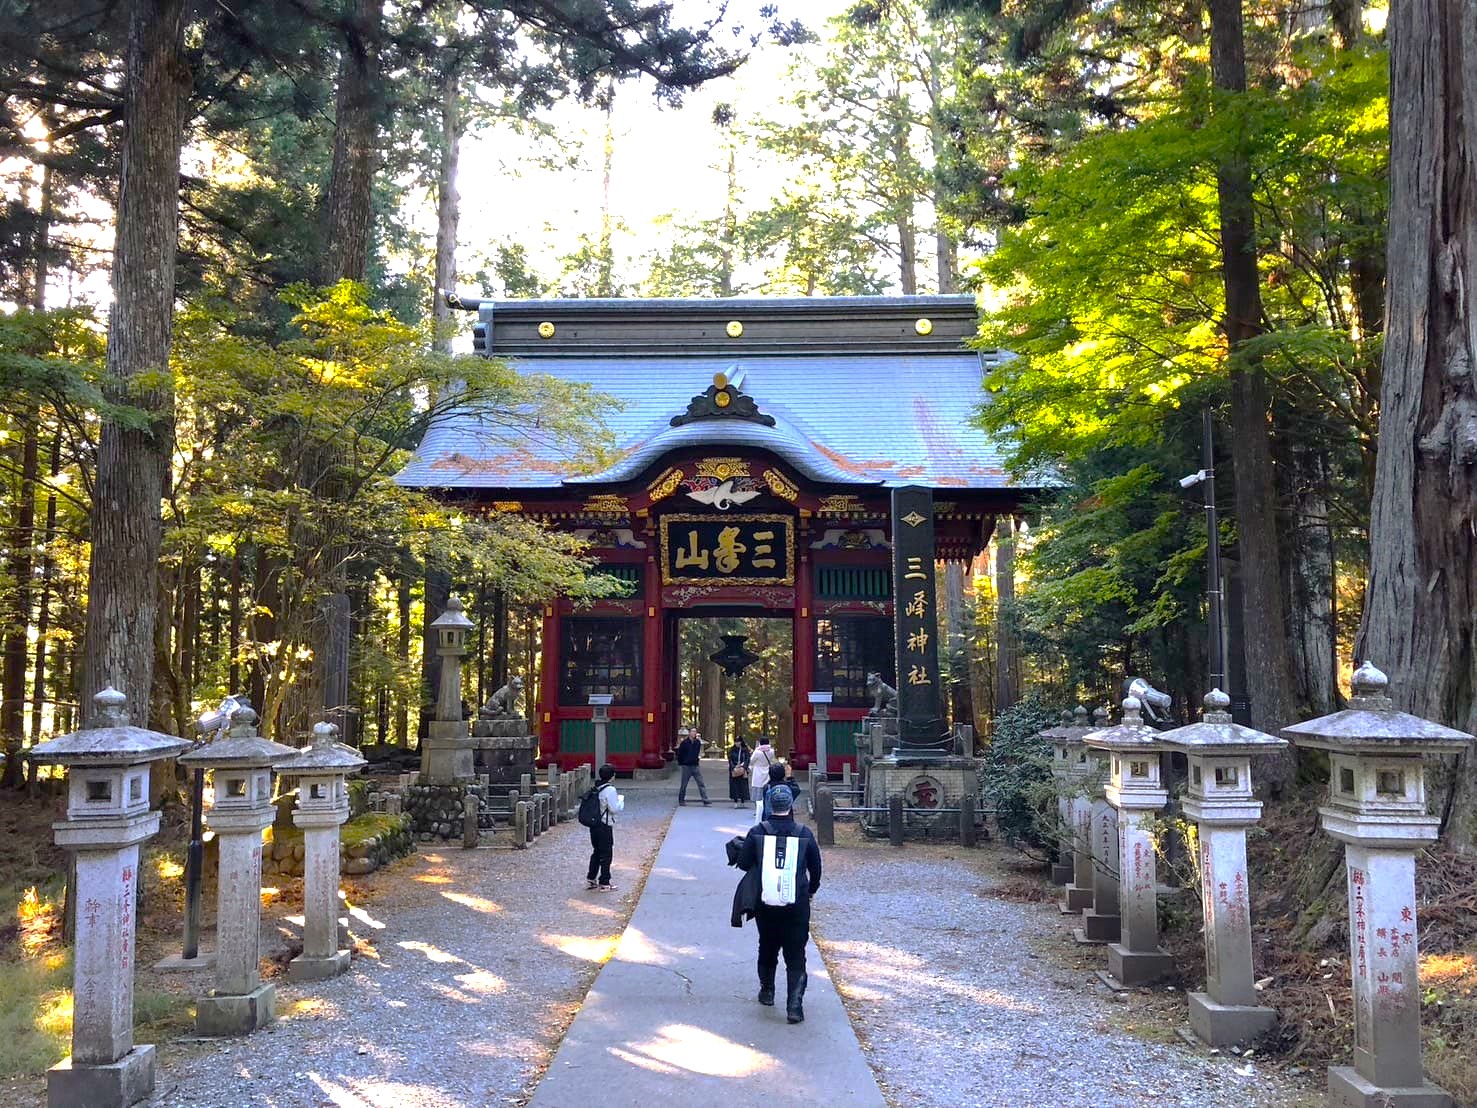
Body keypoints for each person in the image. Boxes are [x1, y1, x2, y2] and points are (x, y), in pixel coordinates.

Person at [736, 786, 821, 1024]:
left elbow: (743, 864)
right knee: (796, 953)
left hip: (767, 900)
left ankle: (767, 991)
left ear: (771, 805)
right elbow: (816, 868)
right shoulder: (804, 833)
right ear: (790, 806)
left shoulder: (757, 832)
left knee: (768, 945)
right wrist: (811, 889)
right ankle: (795, 1006)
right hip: (797, 901)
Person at [586, 763, 624, 891]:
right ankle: (605, 882)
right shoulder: (610, 790)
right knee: (606, 853)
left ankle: (591, 877)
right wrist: (620, 801)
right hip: (604, 824)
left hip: (594, 824)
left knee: (596, 851)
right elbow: (614, 808)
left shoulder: (596, 787)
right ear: (612, 776)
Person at [675, 726, 711, 806]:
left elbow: (698, 752)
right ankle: (681, 800)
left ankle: (705, 799)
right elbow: (680, 754)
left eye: (695, 732)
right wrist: (682, 763)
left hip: (695, 765)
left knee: (701, 783)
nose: (694, 733)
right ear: (689, 733)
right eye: (692, 731)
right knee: (684, 784)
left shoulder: (697, 742)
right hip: (686, 766)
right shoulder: (684, 743)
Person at [727, 737, 751, 807]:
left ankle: (743, 801)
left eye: (738, 742)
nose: (737, 743)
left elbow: (747, 759)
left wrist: (744, 767)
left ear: (741, 742)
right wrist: (733, 767)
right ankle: (735, 801)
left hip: (742, 768)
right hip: (734, 768)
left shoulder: (745, 750)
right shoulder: (732, 750)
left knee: (743, 785)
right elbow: (730, 759)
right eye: (736, 742)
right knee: (734, 786)